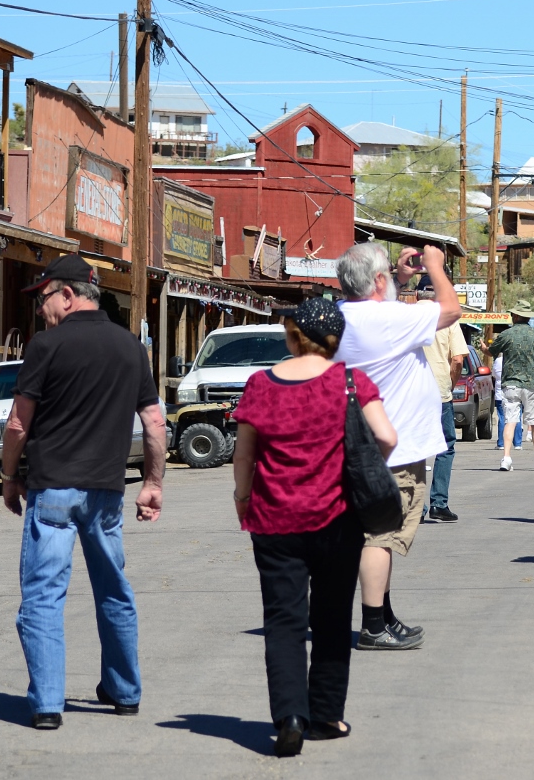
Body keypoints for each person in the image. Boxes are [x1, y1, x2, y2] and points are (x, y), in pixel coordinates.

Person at [0, 255, 166, 731]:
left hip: (51, 490)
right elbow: (154, 422)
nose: (40, 311)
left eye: (44, 299)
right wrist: (152, 484)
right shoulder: (131, 348)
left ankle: (48, 703)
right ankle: (124, 692)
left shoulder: (45, 347)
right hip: (106, 495)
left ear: (68, 294)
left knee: (43, 596)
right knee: (113, 590)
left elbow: (17, 423)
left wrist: (10, 477)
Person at [232, 299, 397, 757]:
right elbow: (387, 437)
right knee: (329, 620)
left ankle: (289, 718)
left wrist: (243, 498)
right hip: (338, 518)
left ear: (292, 336)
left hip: (273, 519)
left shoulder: (260, 385)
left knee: (283, 621)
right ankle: (325, 716)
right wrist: (361, 472)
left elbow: (244, 454)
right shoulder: (351, 382)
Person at [334, 242, 461, 650]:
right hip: (394, 446)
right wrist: (435, 267)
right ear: (377, 281)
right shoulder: (390, 318)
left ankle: (383, 615)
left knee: (377, 535)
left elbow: (372, 308)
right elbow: (451, 308)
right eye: (387, 271)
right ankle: (373, 625)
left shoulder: (339, 317)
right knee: (381, 536)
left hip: (357, 443)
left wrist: (400, 278)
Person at [482, 301, 534, 473]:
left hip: (511, 383)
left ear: (517, 316)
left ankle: (506, 458)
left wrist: (484, 348)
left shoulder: (506, 335)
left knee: (510, 421)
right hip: (532, 384)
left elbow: (491, 351)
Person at [422, 319, 469, 523]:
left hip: (412, 392)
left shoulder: (406, 314)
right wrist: (450, 383)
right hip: (439, 393)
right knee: (445, 446)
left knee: (414, 447)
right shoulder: (447, 320)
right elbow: (457, 359)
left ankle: (414, 506)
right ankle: (438, 503)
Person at [493, 354, 523, 451]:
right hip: (515, 391)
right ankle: (517, 443)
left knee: (502, 418)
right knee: (516, 416)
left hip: (500, 394)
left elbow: (494, 375)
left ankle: (501, 443)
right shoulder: (516, 360)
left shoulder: (497, 361)